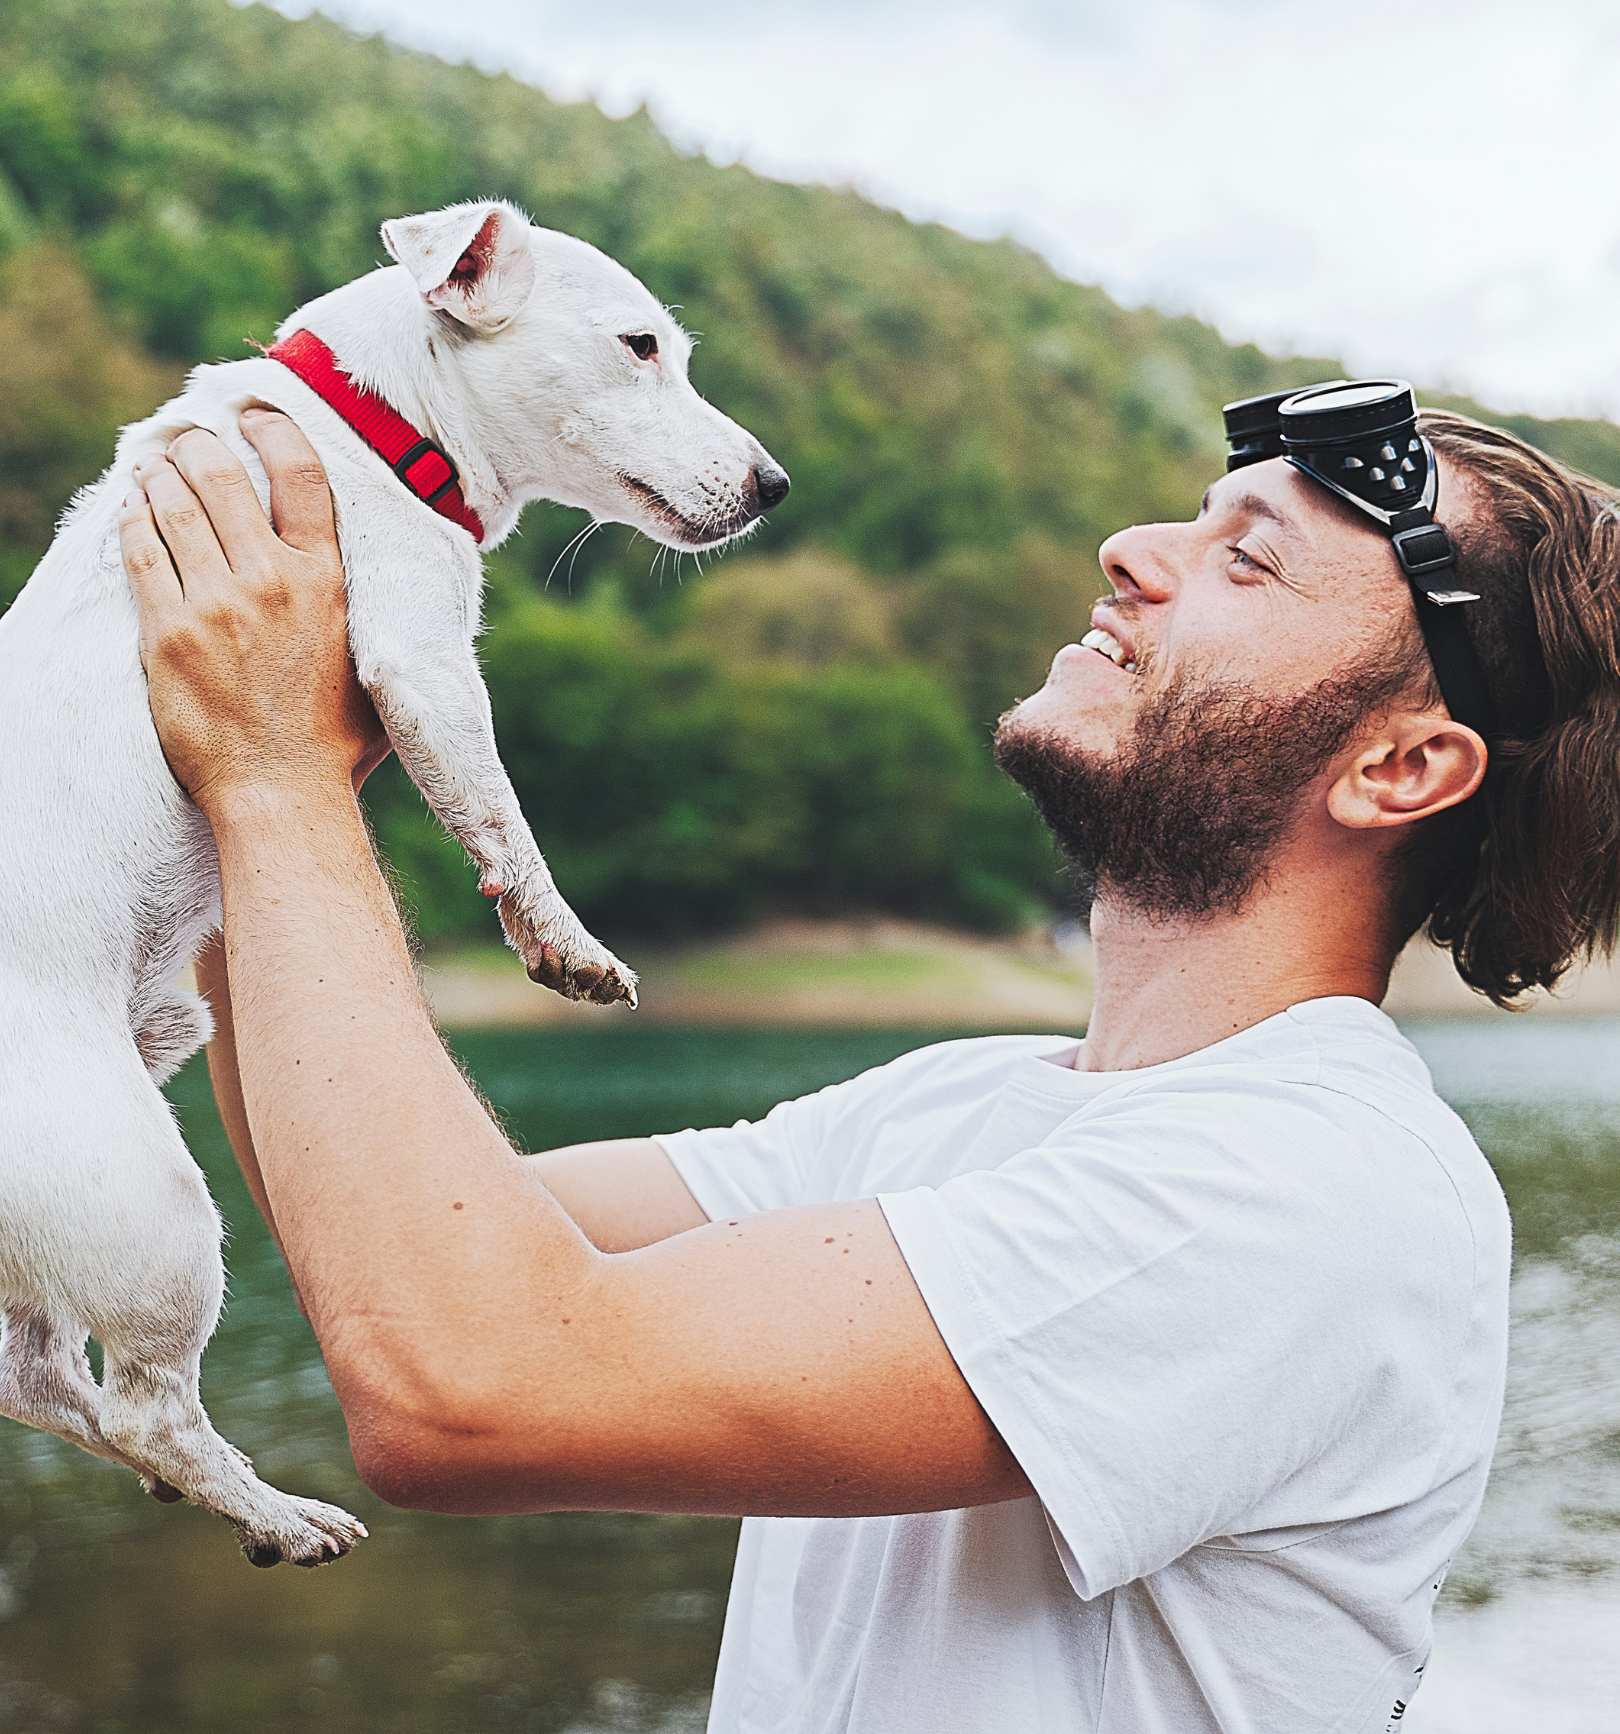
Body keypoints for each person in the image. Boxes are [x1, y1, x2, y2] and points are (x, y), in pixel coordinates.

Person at [118, 401, 1620, 1734]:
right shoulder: (971, 1102)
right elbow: (398, 1250)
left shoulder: (1311, 1192)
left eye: (1249, 561)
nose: (1129, 547)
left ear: (1401, 770)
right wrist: (223, 789)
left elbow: (466, 1379)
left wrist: (272, 772)